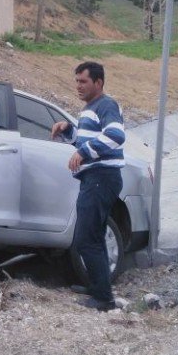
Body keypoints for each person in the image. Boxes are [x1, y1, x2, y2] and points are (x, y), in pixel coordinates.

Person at [51, 61, 125, 312]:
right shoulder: (88, 109)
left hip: (100, 178)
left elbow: (115, 136)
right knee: (94, 237)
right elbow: (88, 140)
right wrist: (69, 131)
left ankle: (103, 298)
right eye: (77, 81)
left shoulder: (106, 105)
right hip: (94, 178)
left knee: (85, 238)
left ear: (99, 83)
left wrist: (84, 152)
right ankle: (98, 287)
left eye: (83, 81)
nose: (78, 86)